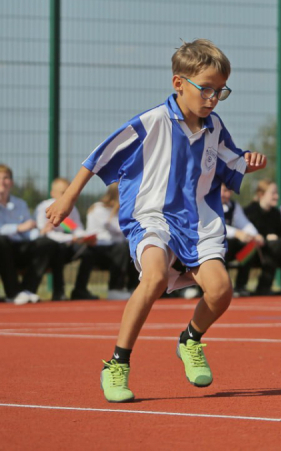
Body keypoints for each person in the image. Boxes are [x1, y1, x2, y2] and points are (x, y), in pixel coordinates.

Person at [45, 39, 266, 403]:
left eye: (220, 91)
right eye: (206, 89)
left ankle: (190, 339)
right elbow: (97, 158)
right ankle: (117, 364)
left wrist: (251, 162)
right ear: (179, 83)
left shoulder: (215, 127)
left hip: (198, 224)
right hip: (152, 217)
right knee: (155, 276)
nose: (212, 98)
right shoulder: (150, 122)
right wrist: (68, 198)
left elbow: (233, 161)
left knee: (221, 290)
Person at [0, 164, 58, 304]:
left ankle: (27, 290)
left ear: (11, 182)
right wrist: (18, 228)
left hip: (20, 247)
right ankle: (12, 293)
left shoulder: (21, 204)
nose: (2, 181)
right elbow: (18, 228)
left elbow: (28, 232)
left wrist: (40, 233)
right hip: (2, 249)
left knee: (47, 243)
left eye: (6, 178)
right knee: (1, 241)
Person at [34, 177, 98, 300]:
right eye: (63, 192)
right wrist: (71, 238)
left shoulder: (71, 209)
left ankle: (80, 290)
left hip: (68, 245)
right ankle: (58, 292)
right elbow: (46, 234)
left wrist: (85, 238)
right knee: (59, 249)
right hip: (49, 250)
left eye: (69, 191)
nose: (67, 196)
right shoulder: (44, 208)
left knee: (88, 251)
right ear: (53, 193)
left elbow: (77, 228)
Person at [241, 179, 281, 296]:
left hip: (274, 249)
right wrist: (265, 237)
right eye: (273, 193)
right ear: (261, 194)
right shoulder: (250, 211)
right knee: (276, 245)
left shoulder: (276, 213)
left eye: (277, 193)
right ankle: (263, 287)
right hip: (255, 250)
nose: (277, 196)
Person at [86, 183, 138, 300]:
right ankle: (115, 288)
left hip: (116, 248)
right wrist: (116, 210)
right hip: (98, 248)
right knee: (122, 248)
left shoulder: (123, 210)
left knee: (133, 248)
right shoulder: (99, 208)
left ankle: (133, 287)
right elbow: (116, 229)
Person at [220, 184, 264, 298]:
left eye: (230, 191)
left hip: (230, 246)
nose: (228, 194)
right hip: (211, 245)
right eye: (225, 190)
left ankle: (240, 286)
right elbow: (213, 225)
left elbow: (244, 223)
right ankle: (219, 286)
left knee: (250, 246)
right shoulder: (207, 204)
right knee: (225, 244)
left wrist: (255, 235)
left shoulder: (234, 206)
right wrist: (236, 233)